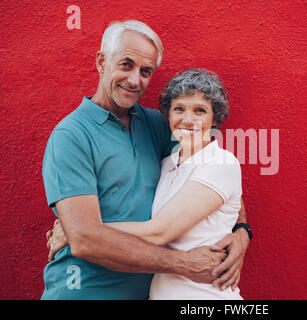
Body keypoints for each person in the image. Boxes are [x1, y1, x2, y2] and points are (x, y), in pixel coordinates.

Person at [41, 20, 251, 300]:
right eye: (126, 64)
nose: (134, 79)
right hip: (86, 291)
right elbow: (84, 240)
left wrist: (241, 232)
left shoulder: (158, 125)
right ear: (102, 62)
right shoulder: (71, 136)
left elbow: (214, 177)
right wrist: (184, 263)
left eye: (146, 71)